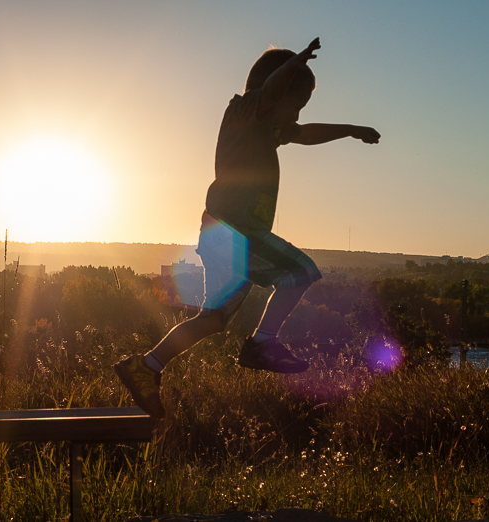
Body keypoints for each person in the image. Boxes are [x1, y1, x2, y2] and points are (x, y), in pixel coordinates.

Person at [115, 37, 380, 418]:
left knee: (214, 319)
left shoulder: (270, 126)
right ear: (276, 92)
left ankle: (146, 366)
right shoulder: (245, 109)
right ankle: (262, 343)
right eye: (296, 105)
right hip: (235, 230)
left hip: (220, 233)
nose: (296, 115)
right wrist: (294, 65)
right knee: (300, 271)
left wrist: (352, 128)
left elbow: (306, 134)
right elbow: (270, 92)